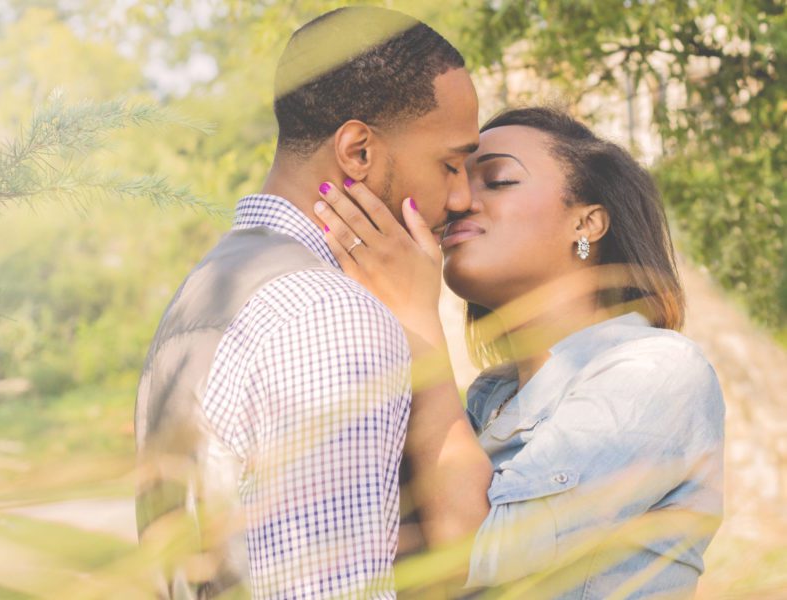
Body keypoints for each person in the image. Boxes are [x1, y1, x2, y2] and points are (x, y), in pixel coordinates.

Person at [133, 6, 479, 598]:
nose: (463, 198)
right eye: (450, 165)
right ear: (358, 152)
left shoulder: (210, 287)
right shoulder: (327, 316)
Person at [314, 107, 725, 598]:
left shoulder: (657, 371)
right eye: (454, 179)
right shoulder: (488, 397)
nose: (459, 201)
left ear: (587, 223)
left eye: (498, 181)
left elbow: (472, 556)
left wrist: (418, 322)